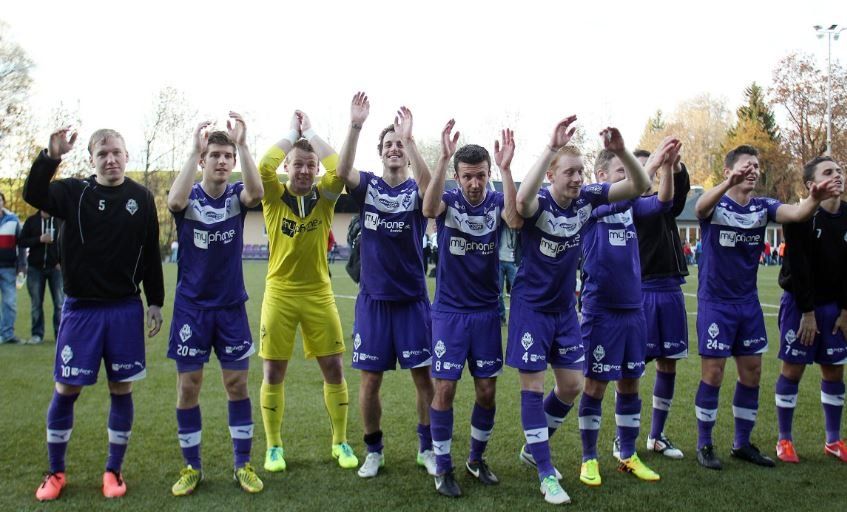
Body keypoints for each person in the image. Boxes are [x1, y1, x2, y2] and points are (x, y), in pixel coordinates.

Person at [508, 117, 658, 503]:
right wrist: (550, 147)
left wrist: (621, 150)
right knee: (533, 387)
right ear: (552, 175)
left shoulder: (588, 200)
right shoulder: (539, 202)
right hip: (531, 309)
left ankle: (533, 448)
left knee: (572, 385)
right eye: (569, 172)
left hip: (564, 310)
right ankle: (546, 473)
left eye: (580, 172)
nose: (577, 179)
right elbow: (521, 203)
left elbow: (639, 185)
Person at [24, 126, 164, 501]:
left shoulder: (141, 198)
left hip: (124, 309)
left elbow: (150, 250)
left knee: (121, 388)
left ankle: (113, 471)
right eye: (102, 154)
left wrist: (155, 300)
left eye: (116, 152)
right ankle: (56, 472)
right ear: (92, 160)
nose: (110, 159)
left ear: (127, 155)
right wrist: (50, 157)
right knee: (66, 388)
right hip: (81, 309)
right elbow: (33, 194)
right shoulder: (73, 193)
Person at [693, 145, 840, 471]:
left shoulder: (763, 207)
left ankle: (742, 443)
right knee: (713, 373)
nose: (753, 170)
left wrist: (814, 198)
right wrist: (728, 183)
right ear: (729, 170)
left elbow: (797, 214)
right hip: (716, 304)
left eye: (756, 166)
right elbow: (700, 208)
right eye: (747, 165)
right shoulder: (717, 204)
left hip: (748, 304)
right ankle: (704, 443)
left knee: (752, 372)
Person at [335, 92, 436, 479]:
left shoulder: (416, 191)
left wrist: (411, 139)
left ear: (407, 154)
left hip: (411, 301)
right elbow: (343, 171)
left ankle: (426, 447)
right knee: (370, 381)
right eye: (389, 144)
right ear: (380, 153)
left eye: (399, 145)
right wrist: (355, 125)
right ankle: (373, 450)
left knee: (423, 379)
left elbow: (431, 188)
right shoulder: (370, 187)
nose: (394, 149)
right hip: (374, 302)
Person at [421, 119, 520, 497]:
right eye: (467, 177)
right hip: (449, 314)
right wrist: (443, 158)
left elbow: (515, 218)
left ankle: (476, 459)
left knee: (487, 391)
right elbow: (429, 208)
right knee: (445, 389)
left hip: (486, 313)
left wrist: (507, 170)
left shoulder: (497, 201)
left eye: (480, 175)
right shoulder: (449, 202)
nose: (474, 184)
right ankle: (443, 466)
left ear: (487, 174)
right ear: (457, 178)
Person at [166, 114, 264, 496]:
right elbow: (173, 201)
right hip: (192, 309)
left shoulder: (236, 197)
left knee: (237, 385)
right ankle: (192, 467)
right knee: (188, 387)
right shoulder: (189, 196)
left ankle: (243, 465)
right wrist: (193, 150)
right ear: (204, 160)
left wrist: (244, 144)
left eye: (227, 156)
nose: (221, 161)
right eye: (214, 155)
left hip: (230, 308)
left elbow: (256, 194)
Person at [258, 111, 358, 473]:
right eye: (297, 164)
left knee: (334, 367)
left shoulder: (326, 196)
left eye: (310, 165)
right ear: (287, 166)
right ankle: (274, 447)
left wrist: (312, 133)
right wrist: (291, 134)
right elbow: (263, 167)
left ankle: (340, 442)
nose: (303, 171)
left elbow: (340, 170)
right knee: (273, 372)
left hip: (318, 293)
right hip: (280, 293)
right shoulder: (273, 194)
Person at [576, 133, 672, 487]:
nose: (628, 178)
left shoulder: (631, 207)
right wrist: (651, 162)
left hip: (634, 310)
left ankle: (628, 454)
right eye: (621, 171)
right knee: (595, 386)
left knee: (630, 383)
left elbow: (661, 202)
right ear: (601, 175)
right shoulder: (590, 204)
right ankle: (589, 459)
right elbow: (635, 189)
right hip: (601, 310)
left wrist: (667, 168)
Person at [773, 156, 847, 464]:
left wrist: (845, 310)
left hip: (834, 307)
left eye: (839, 171)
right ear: (810, 184)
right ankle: (784, 440)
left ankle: (834, 440)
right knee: (793, 369)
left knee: (835, 369)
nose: (838, 175)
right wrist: (806, 312)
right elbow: (798, 268)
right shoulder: (799, 217)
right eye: (828, 172)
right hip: (800, 305)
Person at [626, 146, 689, 460]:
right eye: (641, 168)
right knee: (633, 369)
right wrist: (656, 168)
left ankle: (657, 435)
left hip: (671, 288)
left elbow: (677, 195)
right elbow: (661, 200)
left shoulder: (665, 200)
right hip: (644, 291)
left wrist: (673, 166)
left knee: (669, 362)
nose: (646, 174)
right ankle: (624, 439)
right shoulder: (630, 205)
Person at [18, 209, 64, 344]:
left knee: (59, 303)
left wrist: (61, 261)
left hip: (55, 269)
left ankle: (60, 334)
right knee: (36, 303)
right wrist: (39, 239)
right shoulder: (31, 221)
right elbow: (22, 242)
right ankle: (37, 334)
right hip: (35, 269)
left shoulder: (59, 221)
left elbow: (67, 242)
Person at [0, 191, 26, 344]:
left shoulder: (13, 220)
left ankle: (8, 334)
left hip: (8, 268)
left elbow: (21, 245)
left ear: (3, 202)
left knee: (9, 303)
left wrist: (22, 266)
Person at [498, 224, 518, 325]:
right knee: (499, 293)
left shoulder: (517, 226)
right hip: (499, 261)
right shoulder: (500, 225)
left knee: (518, 292)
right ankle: (502, 318)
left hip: (513, 262)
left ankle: (516, 318)